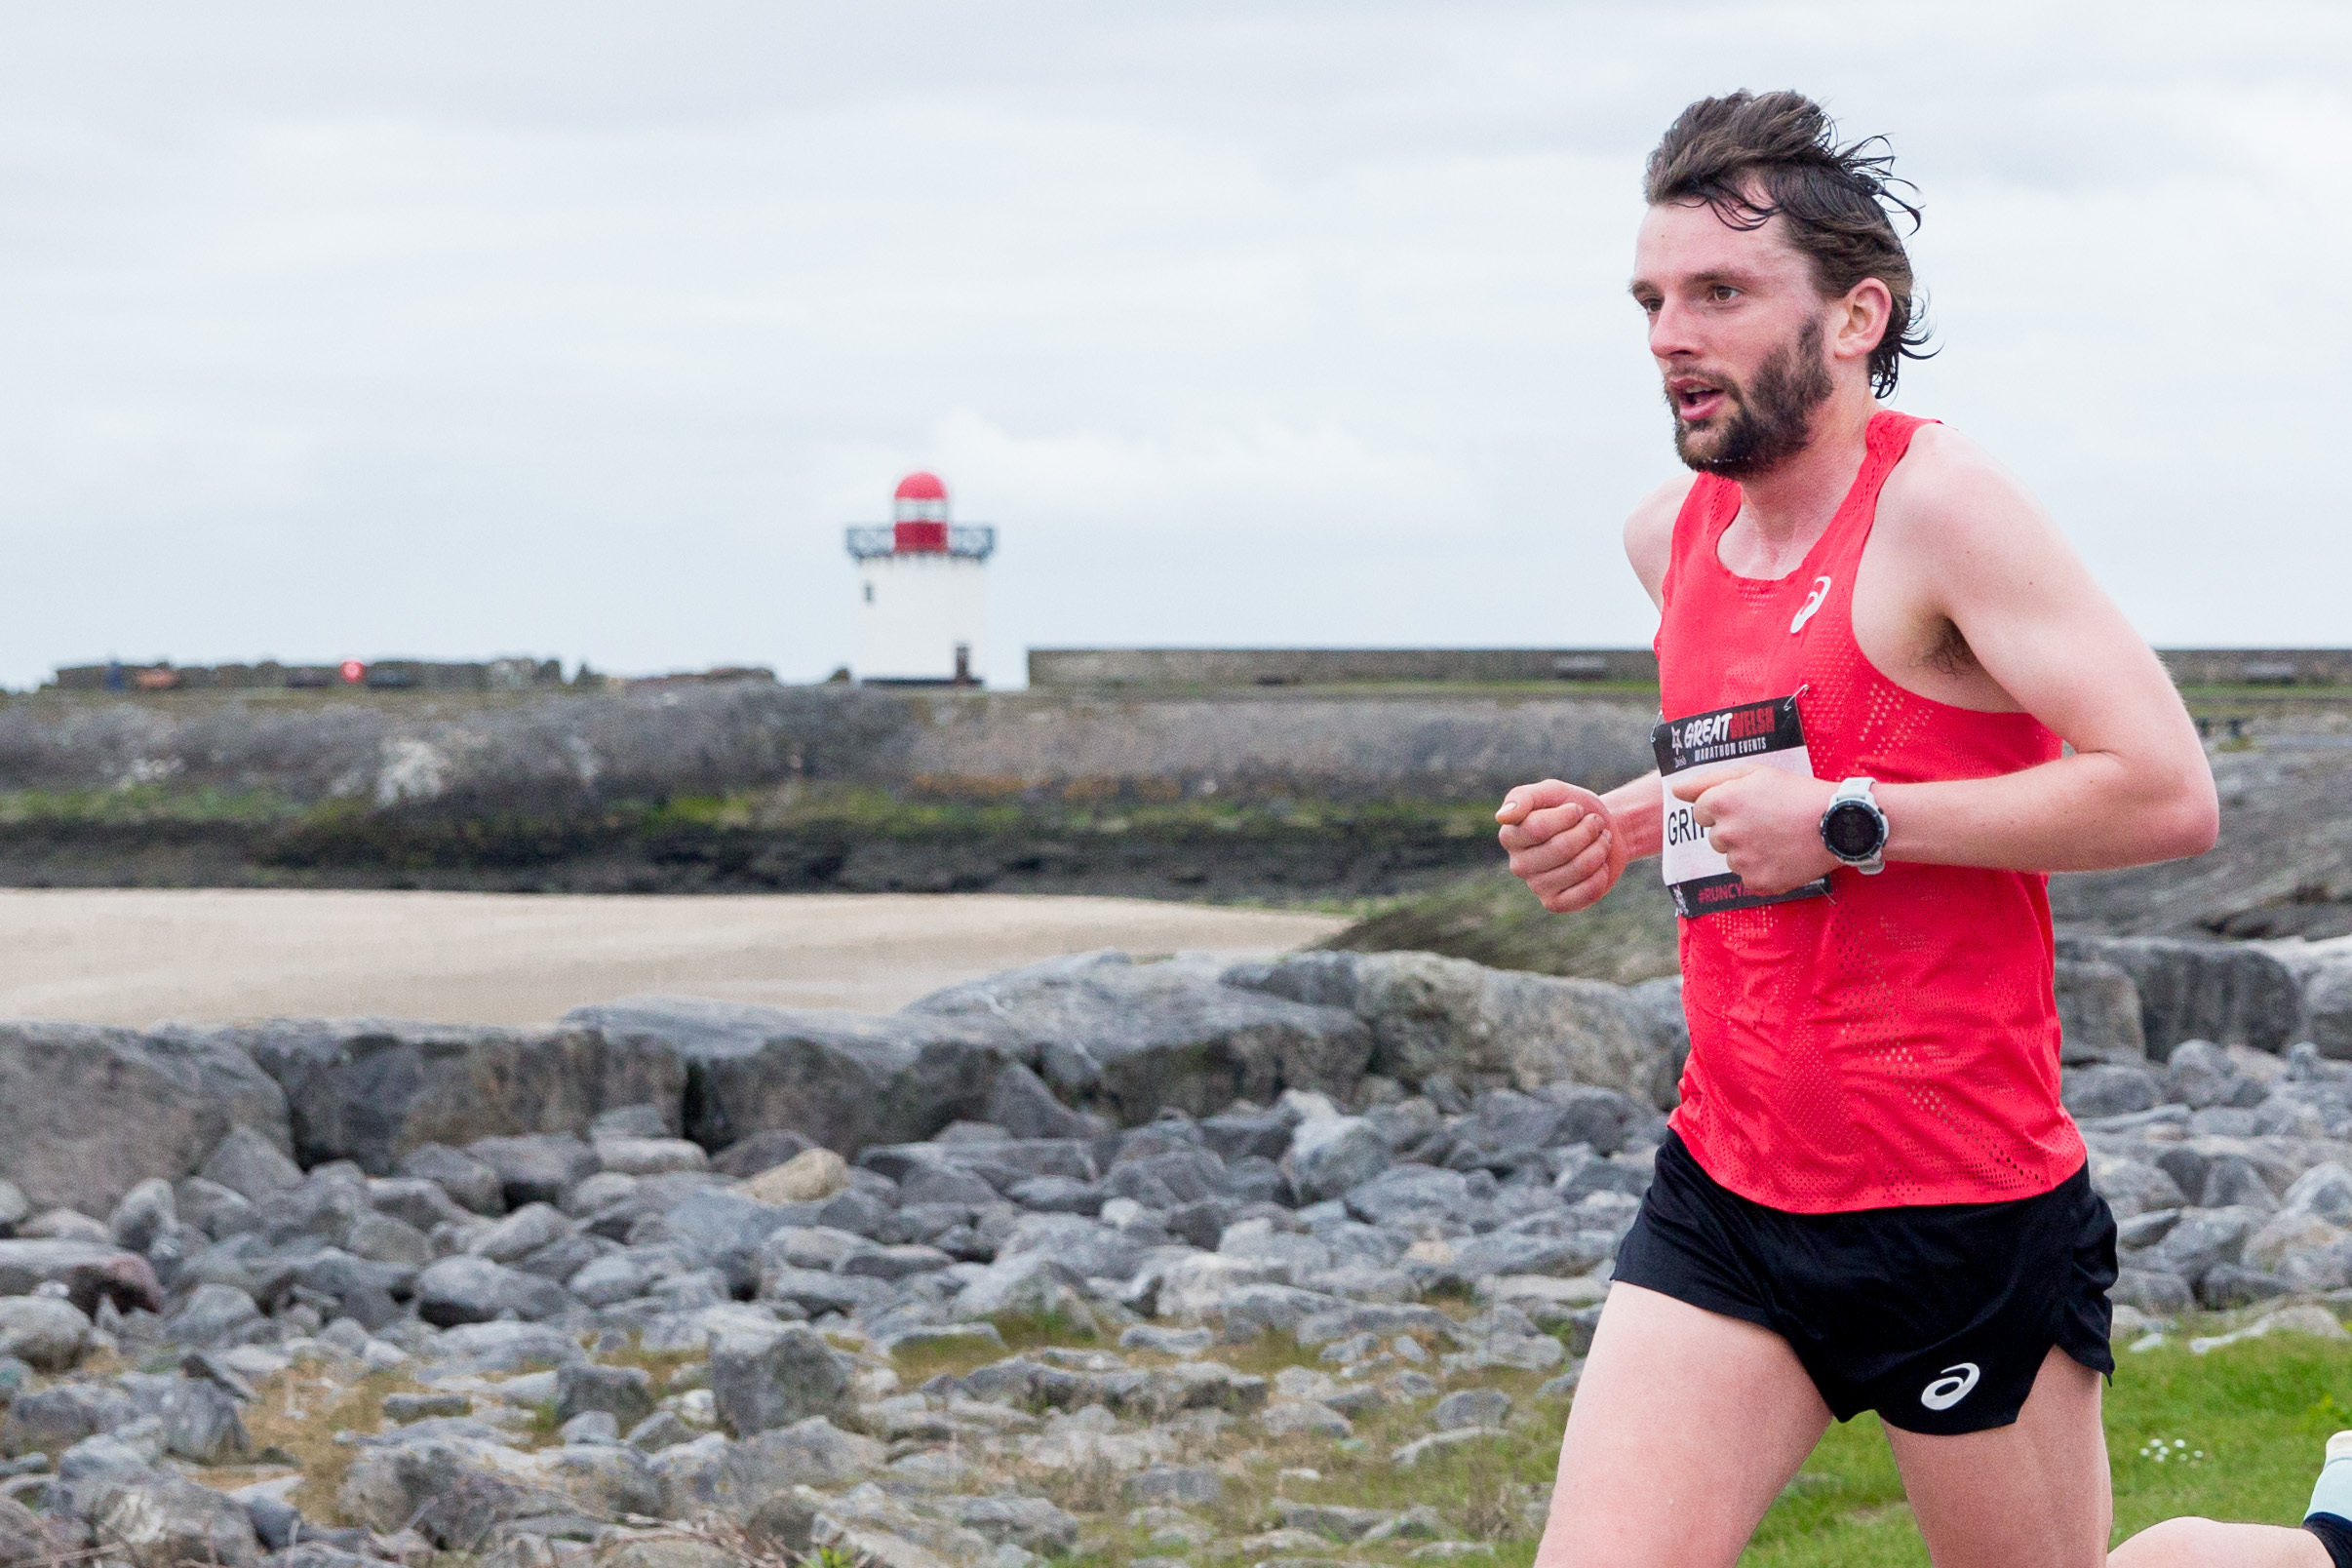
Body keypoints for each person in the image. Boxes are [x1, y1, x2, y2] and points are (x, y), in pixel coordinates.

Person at [1500, 90, 2333, 1568]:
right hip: (1732, 1192)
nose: (1668, 338)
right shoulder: (1669, 537)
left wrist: (1847, 828)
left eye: (1719, 295)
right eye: (1650, 301)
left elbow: (2163, 788)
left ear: (1855, 316)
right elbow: (1798, 746)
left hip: (1960, 1207)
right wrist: (1631, 824)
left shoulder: (1947, 510)